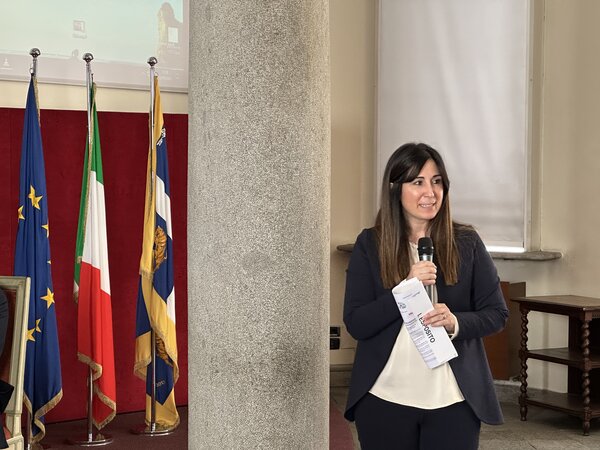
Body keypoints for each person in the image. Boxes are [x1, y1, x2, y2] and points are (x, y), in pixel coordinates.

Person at [343, 142, 508, 449]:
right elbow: (357, 323)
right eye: (417, 182)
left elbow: (497, 314)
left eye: (437, 181)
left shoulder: (467, 242)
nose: (430, 193)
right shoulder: (370, 244)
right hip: (384, 397)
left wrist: (455, 322)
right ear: (395, 189)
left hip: (453, 400)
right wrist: (405, 289)